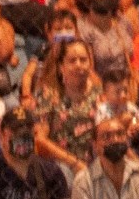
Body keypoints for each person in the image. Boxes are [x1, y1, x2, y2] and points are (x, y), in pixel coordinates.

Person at [33, 40, 104, 180]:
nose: (78, 65)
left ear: (90, 64)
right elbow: (39, 140)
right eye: (72, 61)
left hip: (98, 162)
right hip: (63, 165)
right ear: (61, 67)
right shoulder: (48, 95)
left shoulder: (100, 93)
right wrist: (74, 163)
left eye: (83, 60)